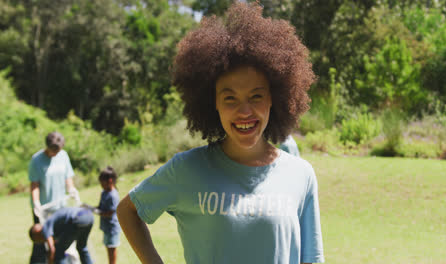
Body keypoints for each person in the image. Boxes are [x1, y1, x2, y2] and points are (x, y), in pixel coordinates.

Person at [117, 2, 324, 264]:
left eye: (256, 96)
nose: (244, 111)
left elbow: (312, 258)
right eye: (230, 99)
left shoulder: (301, 175)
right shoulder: (187, 169)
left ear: (275, 98)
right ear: (212, 102)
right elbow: (129, 210)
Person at [28, 131, 79, 263]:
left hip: (60, 208)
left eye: (58, 150)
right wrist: (36, 202)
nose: (56, 153)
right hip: (43, 210)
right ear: (48, 146)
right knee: (41, 244)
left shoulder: (63, 155)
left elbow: (68, 177)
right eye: (54, 150)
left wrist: (71, 189)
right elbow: (34, 185)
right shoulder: (36, 160)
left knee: (60, 242)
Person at [29, 207, 94, 264]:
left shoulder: (45, 227)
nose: (42, 241)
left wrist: (50, 262)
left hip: (77, 218)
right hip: (89, 215)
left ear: (36, 232)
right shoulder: (53, 225)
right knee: (82, 247)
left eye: (39, 240)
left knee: (58, 253)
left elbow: (52, 249)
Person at [97, 166, 121, 264]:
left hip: (112, 227)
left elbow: (110, 213)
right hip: (106, 227)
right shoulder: (104, 193)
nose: (101, 186)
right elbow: (100, 207)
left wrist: (98, 212)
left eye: (102, 183)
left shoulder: (113, 195)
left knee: (112, 249)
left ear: (110, 181)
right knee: (108, 247)